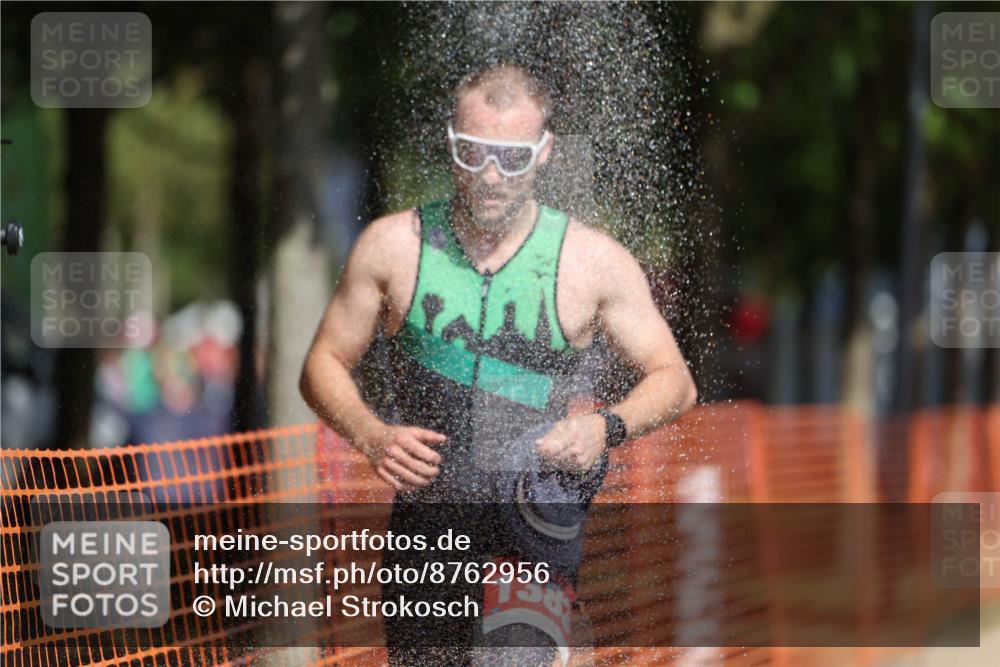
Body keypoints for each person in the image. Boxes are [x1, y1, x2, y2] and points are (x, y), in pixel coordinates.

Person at [301, 63, 698, 666]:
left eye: (511, 158)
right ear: (451, 142)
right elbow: (323, 361)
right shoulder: (394, 247)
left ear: (543, 154)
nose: (490, 175)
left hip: (531, 528)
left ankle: (556, 637)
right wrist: (370, 433)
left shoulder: (591, 262)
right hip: (427, 535)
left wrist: (603, 427)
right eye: (474, 153)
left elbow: (675, 381)